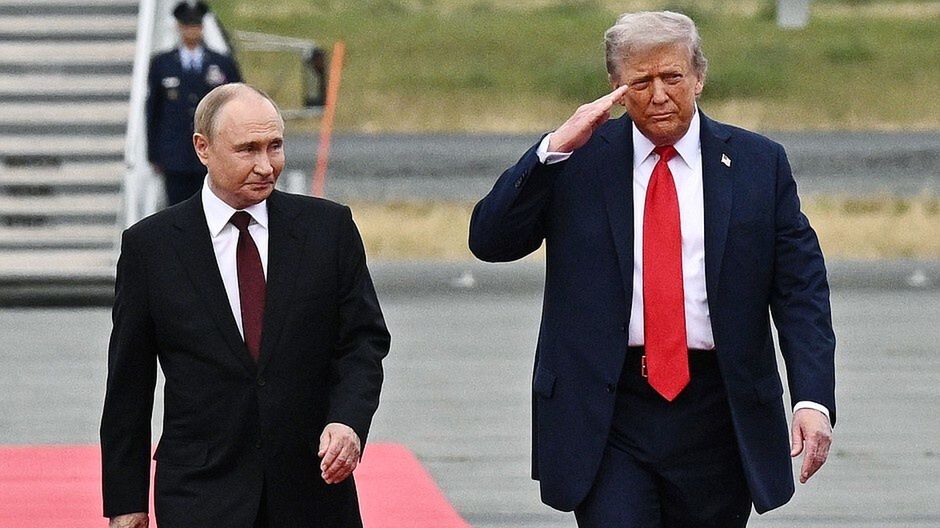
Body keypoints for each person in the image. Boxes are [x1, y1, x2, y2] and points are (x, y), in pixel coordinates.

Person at [469, 11, 835, 527]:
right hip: (608, 410)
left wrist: (812, 400)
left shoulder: (759, 164)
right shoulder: (577, 161)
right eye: (640, 82)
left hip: (718, 411)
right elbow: (490, 241)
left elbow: (801, 292)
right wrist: (551, 149)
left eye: (672, 77)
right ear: (615, 88)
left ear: (699, 77)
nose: (659, 95)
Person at [101, 83, 390, 528]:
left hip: (311, 492)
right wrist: (127, 501)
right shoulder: (151, 248)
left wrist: (347, 421)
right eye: (247, 149)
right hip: (200, 493)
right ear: (203, 148)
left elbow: (362, 343)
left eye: (275, 146)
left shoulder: (328, 230)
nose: (265, 165)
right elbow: (129, 385)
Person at [147, 0, 242, 206]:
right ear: (179, 27)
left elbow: (236, 103)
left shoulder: (221, 63)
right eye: (187, 26)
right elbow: (153, 111)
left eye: (196, 25)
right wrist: (154, 153)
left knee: (213, 206)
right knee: (177, 209)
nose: (192, 31)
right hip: (175, 153)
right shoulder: (162, 64)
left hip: (212, 150)